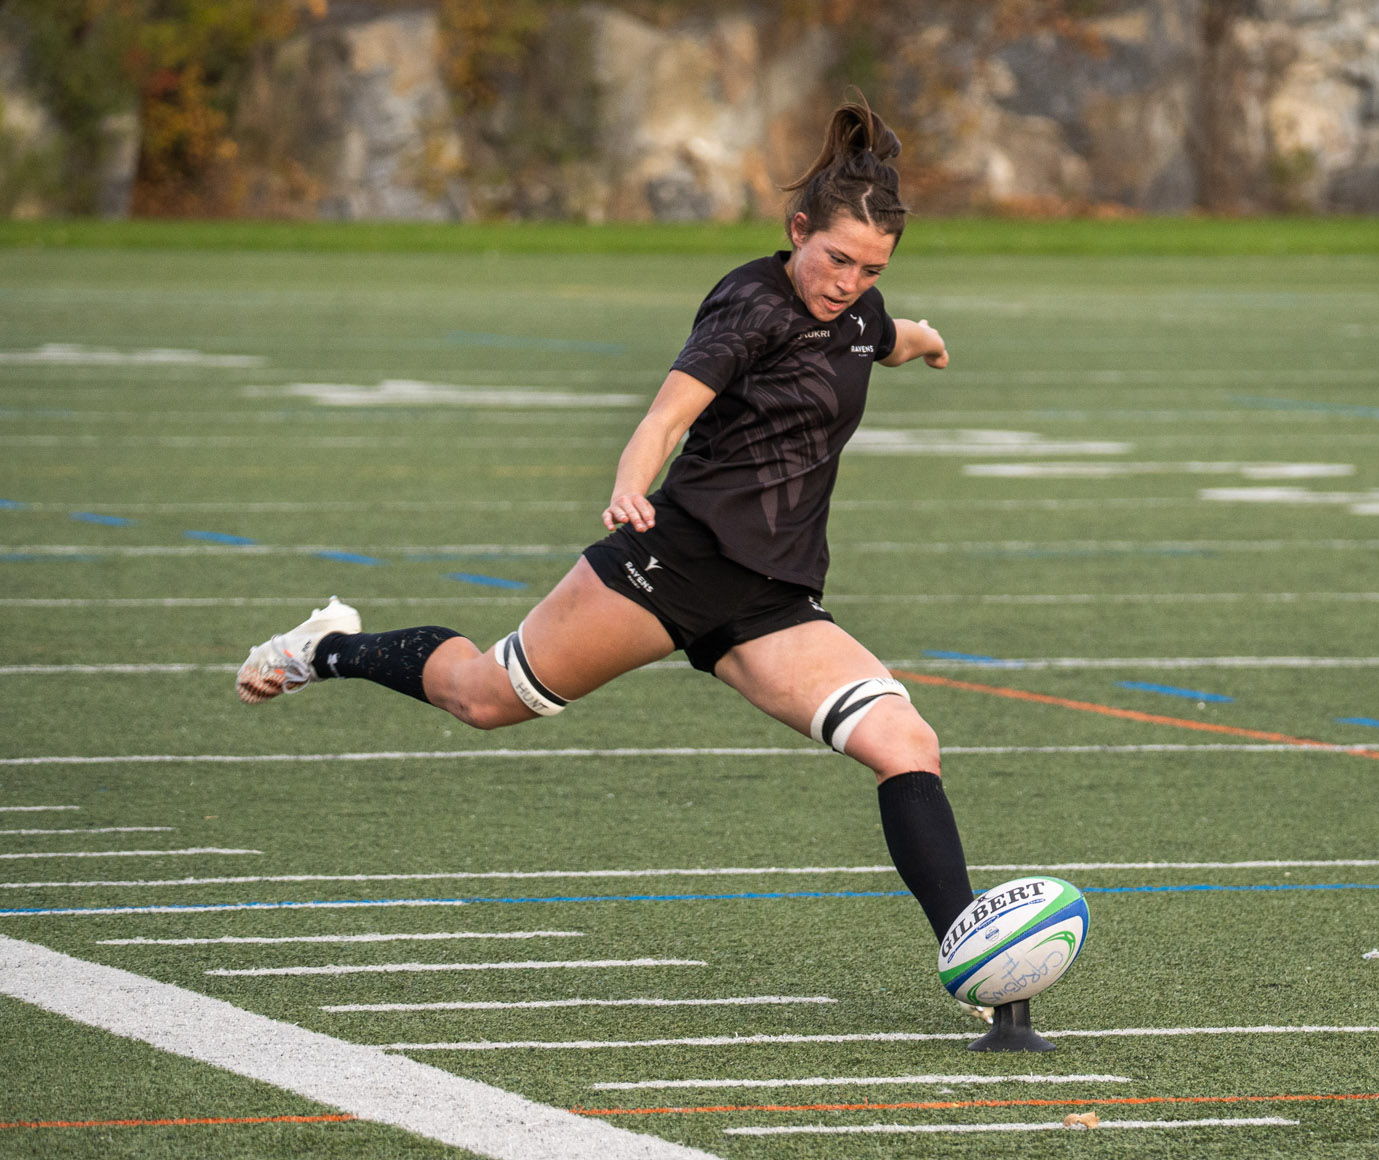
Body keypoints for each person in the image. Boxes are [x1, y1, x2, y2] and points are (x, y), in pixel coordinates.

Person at [234, 101, 980, 957]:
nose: (848, 281)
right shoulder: (750, 307)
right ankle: (325, 648)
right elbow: (664, 420)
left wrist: (923, 341)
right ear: (797, 228)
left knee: (904, 740)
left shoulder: (857, 311)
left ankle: (971, 949)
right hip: (671, 560)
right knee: (483, 697)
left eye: (871, 267)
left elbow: (881, 334)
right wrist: (631, 487)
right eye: (836, 258)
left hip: (772, 595)